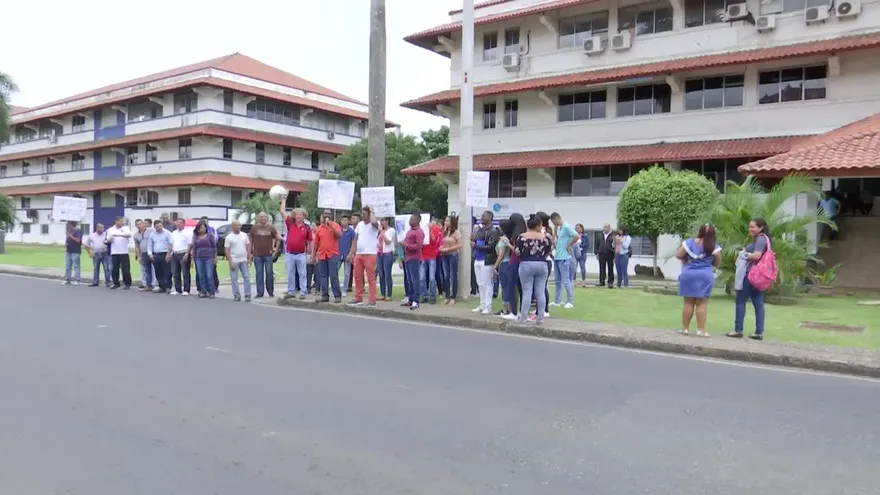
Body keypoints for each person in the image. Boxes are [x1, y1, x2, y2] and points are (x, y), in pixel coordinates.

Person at [728, 218, 771, 341]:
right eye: (750, 227)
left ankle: (738, 330)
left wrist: (744, 254)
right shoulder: (764, 239)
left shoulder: (761, 239)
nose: (750, 229)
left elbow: (757, 256)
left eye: (753, 227)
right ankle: (759, 332)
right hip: (759, 277)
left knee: (740, 301)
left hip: (751, 275)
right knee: (758, 303)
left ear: (760, 227)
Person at [676, 224, 721, 337]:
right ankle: (701, 330)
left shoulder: (689, 243)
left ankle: (685, 329)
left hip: (689, 274)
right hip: (705, 275)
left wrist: (687, 258)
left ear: (700, 231)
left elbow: (678, 255)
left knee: (688, 303)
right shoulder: (714, 247)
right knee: (702, 304)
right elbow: (717, 263)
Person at [515, 216, 552, 325]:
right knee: (540, 292)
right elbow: (549, 250)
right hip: (542, 263)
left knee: (527, 291)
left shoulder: (522, 237)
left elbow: (518, 251)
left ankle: (523, 317)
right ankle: (540, 318)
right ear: (537, 225)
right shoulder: (546, 237)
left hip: (526, 263)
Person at [347, 206, 380, 307]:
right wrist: (351, 253)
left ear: (369, 214)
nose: (362, 215)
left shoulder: (375, 223)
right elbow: (355, 240)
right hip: (359, 254)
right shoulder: (360, 224)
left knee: (371, 277)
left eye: (364, 214)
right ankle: (358, 297)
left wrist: (372, 211)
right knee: (357, 277)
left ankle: (372, 299)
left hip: (370, 254)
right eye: (362, 213)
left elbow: (374, 222)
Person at [280, 201, 312, 300]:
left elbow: (309, 240)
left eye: (300, 214)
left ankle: (303, 292)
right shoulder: (290, 223)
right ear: (294, 216)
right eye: (297, 214)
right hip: (289, 253)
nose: (298, 216)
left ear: (304, 216)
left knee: (302, 273)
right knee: (290, 273)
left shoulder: (307, 227)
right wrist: (284, 199)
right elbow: (282, 211)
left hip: (301, 254)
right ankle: (291, 292)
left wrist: (310, 251)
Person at [472, 210, 500, 314]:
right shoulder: (481, 230)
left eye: (484, 216)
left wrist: (476, 246)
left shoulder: (494, 231)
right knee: (480, 283)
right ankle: (482, 304)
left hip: (487, 260)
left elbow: (491, 247)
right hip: (478, 258)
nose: (482, 218)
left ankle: (488, 306)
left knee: (487, 283)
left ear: (490, 217)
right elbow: (475, 240)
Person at [312, 209, 343, 303]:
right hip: (322, 255)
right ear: (323, 215)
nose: (327, 215)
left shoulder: (335, 225)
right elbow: (316, 243)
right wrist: (313, 255)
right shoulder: (320, 228)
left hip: (333, 254)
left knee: (333, 276)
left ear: (331, 215)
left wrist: (331, 225)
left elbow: (339, 235)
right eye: (325, 213)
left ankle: (337, 295)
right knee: (323, 276)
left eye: (329, 214)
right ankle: (324, 295)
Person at [550, 212, 578, 308]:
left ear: (555, 219)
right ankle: (557, 301)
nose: (553, 224)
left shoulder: (566, 227)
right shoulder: (561, 228)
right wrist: (555, 231)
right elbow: (558, 242)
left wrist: (569, 245)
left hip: (564, 258)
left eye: (553, 222)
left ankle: (570, 301)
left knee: (566, 280)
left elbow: (576, 236)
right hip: (558, 257)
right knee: (557, 281)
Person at [249, 212, 279, 298]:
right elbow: (250, 240)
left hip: (268, 255)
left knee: (269, 273)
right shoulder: (254, 228)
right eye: (261, 217)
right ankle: (260, 292)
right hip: (257, 254)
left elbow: (278, 238)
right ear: (258, 218)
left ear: (267, 218)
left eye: (265, 217)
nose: (263, 218)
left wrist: (276, 250)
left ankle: (270, 291)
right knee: (259, 273)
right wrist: (250, 252)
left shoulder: (271, 227)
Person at [493, 220, 516, 319]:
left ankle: (506, 309)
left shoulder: (504, 240)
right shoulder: (506, 238)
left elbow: (501, 255)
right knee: (505, 286)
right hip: (506, 263)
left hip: (505, 264)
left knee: (505, 286)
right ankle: (506, 308)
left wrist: (495, 266)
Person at [224, 220, 252, 302]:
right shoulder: (229, 237)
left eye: (239, 225)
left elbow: (248, 246)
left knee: (247, 277)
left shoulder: (244, 235)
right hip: (234, 260)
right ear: (233, 226)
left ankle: (247, 294)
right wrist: (230, 261)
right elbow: (227, 250)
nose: (238, 227)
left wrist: (249, 257)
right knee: (234, 278)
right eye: (237, 225)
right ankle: (236, 295)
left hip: (243, 260)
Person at [402, 213, 425, 310]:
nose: (410, 221)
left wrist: (406, 245)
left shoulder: (418, 232)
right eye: (410, 219)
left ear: (418, 221)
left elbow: (418, 246)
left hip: (415, 258)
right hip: (408, 258)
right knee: (409, 280)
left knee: (415, 280)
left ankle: (416, 301)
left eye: (412, 219)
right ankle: (410, 299)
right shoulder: (409, 231)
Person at [191, 220, 217, 298]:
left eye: (204, 228)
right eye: (201, 228)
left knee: (209, 275)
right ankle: (203, 291)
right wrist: (193, 258)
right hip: (199, 258)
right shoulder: (196, 237)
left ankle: (211, 292)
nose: (202, 229)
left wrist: (215, 257)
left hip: (209, 257)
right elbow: (194, 248)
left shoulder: (210, 235)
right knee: (201, 275)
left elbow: (214, 247)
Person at [106, 216, 132, 290]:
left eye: (122, 221)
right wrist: (111, 238)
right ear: (116, 221)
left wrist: (118, 235)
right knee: (114, 269)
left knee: (125, 269)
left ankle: (127, 283)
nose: (122, 223)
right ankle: (116, 283)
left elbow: (129, 235)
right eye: (120, 221)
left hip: (124, 252)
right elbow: (107, 240)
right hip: (114, 252)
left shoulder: (125, 228)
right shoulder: (111, 229)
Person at [440, 215, 461, 305]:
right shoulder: (445, 232)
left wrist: (448, 249)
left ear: (452, 222)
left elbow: (460, 245)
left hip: (453, 255)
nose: (446, 222)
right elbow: (442, 242)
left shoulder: (456, 232)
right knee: (446, 276)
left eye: (448, 221)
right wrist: (442, 247)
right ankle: (447, 296)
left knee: (453, 276)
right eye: (445, 221)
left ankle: (453, 297)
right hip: (444, 255)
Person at [147, 220, 173, 294]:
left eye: (160, 226)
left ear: (162, 225)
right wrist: (150, 254)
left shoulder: (167, 233)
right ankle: (162, 286)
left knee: (167, 272)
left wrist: (169, 254)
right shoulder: (152, 234)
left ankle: (168, 287)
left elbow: (171, 244)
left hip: (165, 254)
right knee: (158, 272)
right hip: (156, 254)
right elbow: (149, 245)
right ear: (154, 227)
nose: (159, 228)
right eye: (157, 227)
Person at [420, 216, 442, 304]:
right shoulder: (421, 228)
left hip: (432, 256)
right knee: (422, 278)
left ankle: (433, 297)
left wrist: (429, 230)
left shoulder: (435, 228)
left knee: (432, 278)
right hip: (423, 256)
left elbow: (433, 240)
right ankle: (424, 296)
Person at [169, 218, 192, 295]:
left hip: (183, 252)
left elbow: (189, 244)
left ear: (183, 223)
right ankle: (178, 289)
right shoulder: (173, 233)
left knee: (185, 272)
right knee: (175, 272)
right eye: (177, 223)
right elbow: (171, 244)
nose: (178, 224)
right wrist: (169, 253)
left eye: (180, 222)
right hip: (175, 253)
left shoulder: (188, 232)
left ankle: (186, 290)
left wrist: (187, 254)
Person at [85, 223, 111, 287]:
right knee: (96, 268)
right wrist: (89, 252)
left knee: (107, 268)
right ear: (97, 228)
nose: (103, 229)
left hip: (105, 253)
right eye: (101, 227)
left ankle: (108, 282)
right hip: (96, 254)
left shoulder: (106, 235)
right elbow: (86, 245)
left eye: (103, 227)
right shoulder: (92, 236)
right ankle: (95, 282)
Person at [377, 217, 397, 301]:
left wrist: (382, 231)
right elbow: (378, 242)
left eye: (382, 220)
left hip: (388, 254)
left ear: (387, 221)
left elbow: (388, 241)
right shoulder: (380, 232)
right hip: (380, 254)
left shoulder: (391, 230)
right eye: (380, 221)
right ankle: (382, 293)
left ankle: (389, 294)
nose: (381, 222)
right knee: (381, 274)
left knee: (387, 274)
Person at [338, 215, 356, 297]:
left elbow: (353, 243)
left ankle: (344, 290)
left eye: (346, 220)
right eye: (342, 220)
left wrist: (351, 254)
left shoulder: (351, 231)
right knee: (334, 272)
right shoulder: (338, 230)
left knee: (347, 273)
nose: (344, 222)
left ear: (348, 221)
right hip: (338, 254)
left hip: (347, 254)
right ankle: (336, 289)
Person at [133, 219, 154, 291]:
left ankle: (162, 285)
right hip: (144, 253)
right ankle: (149, 285)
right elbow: (137, 246)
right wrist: (139, 256)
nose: (139, 226)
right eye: (137, 224)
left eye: (140, 224)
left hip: (153, 252)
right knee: (147, 270)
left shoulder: (151, 231)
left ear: (143, 224)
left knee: (158, 269)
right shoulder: (136, 235)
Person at [62, 221, 83, 286]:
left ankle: (77, 280)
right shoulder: (69, 231)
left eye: (68, 224)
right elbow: (67, 240)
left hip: (75, 251)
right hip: (68, 250)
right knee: (68, 266)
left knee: (76, 266)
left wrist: (70, 235)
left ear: (72, 224)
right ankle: (67, 279)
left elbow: (78, 240)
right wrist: (66, 243)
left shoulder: (78, 231)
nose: (68, 226)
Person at [346, 212, 361, 294]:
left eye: (354, 218)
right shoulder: (350, 229)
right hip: (351, 251)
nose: (352, 220)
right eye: (351, 218)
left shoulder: (361, 228)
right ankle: (349, 285)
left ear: (358, 220)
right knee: (350, 269)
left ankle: (361, 286)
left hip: (359, 251)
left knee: (359, 270)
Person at [596, 223, 615, 288]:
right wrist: (597, 253)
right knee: (601, 268)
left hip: (610, 254)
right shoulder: (600, 235)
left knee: (610, 268)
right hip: (601, 253)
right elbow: (597, 244)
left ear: (609, 228)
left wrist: (614, 253)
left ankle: (610, 282)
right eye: (604, 227)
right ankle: (601, 281)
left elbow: (615, 245)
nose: (604, 228)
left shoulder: (613, 235)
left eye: (606, 227)